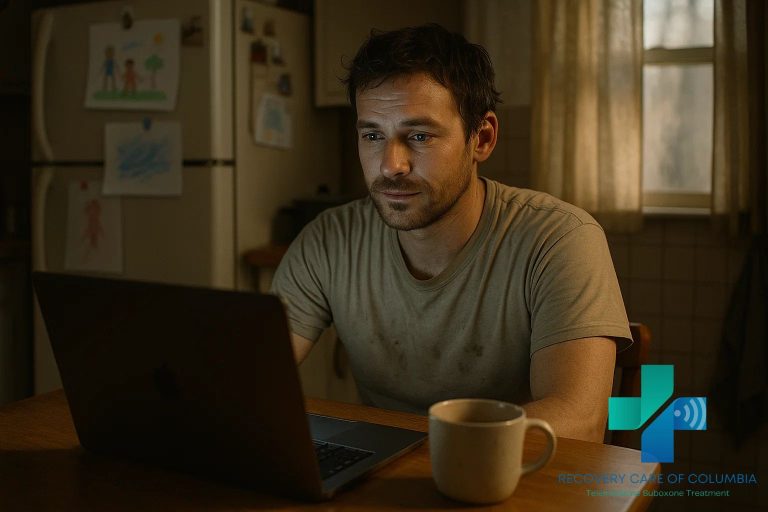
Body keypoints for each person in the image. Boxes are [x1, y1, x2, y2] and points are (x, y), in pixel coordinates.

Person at [271, 24, 631, 442]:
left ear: (482, 138)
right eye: (372, 135)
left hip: (514, 484)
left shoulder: (559, 239)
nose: (391, 165)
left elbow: (578, 421)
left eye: (419, 136)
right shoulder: (329, 241)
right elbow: (253, 377)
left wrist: (437, 453)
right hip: (379, 486)